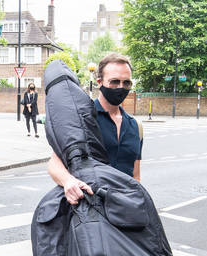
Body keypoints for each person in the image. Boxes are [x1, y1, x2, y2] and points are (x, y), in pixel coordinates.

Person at [47, 53, 143, 204]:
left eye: (126, 83)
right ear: (99, 82)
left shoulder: (136, 126)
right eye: (114, 82)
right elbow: (54, 163)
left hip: (125, 209)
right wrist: (68, 181)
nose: (121, 87)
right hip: (90, 209)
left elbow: (135, 176)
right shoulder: (82, 119)